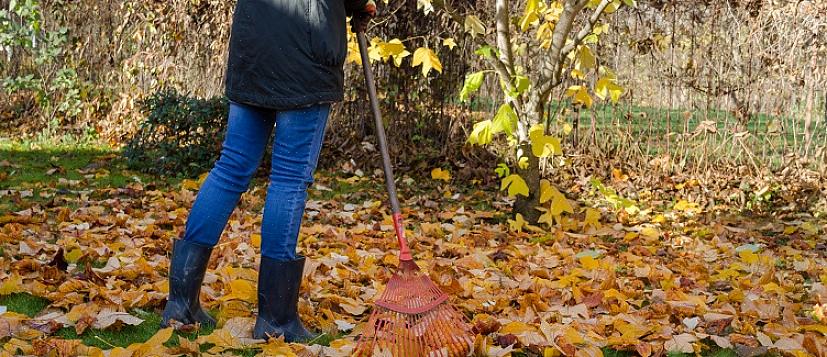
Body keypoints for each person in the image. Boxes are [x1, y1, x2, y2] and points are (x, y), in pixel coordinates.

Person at [160, 0, 376, 342]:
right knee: (289, 180)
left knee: (230, 168)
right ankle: (277, 320)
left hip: (254, 48)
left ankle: (180, 305)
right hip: (306, 55)